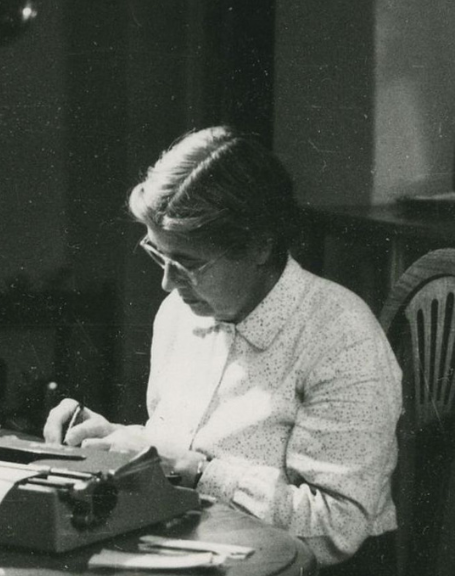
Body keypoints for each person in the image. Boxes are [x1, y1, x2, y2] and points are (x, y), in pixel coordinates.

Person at [43, 126, 401, 572]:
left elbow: (337, 528)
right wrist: (111, 442)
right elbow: (177, 452)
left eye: (189, 263)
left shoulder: (340, 336)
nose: (167, 283)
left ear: (260, 246)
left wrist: (193, 470)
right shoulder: (180, 314)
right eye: (159, 256)